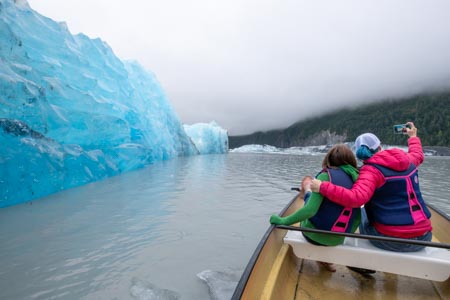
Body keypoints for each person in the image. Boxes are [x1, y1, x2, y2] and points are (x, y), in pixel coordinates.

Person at [310, 122, 432, 252]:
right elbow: (418, 154)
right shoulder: (407, 159)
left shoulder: (370, 171)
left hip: (390, 240)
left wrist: (322, 187)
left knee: (361, 211)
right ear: (379, 147)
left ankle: (363, 263)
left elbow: (356, 199)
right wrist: (412, 136)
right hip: (425, 237)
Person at [270, 144, 361, 272]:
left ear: (329, 160)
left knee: (308, 204)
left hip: (315, 237)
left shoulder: (325, 177)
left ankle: (306, 191)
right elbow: (357, 216)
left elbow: (310, 211)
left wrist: (283, 221)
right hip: (338, 239)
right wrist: (343, 235)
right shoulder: (358, 182)